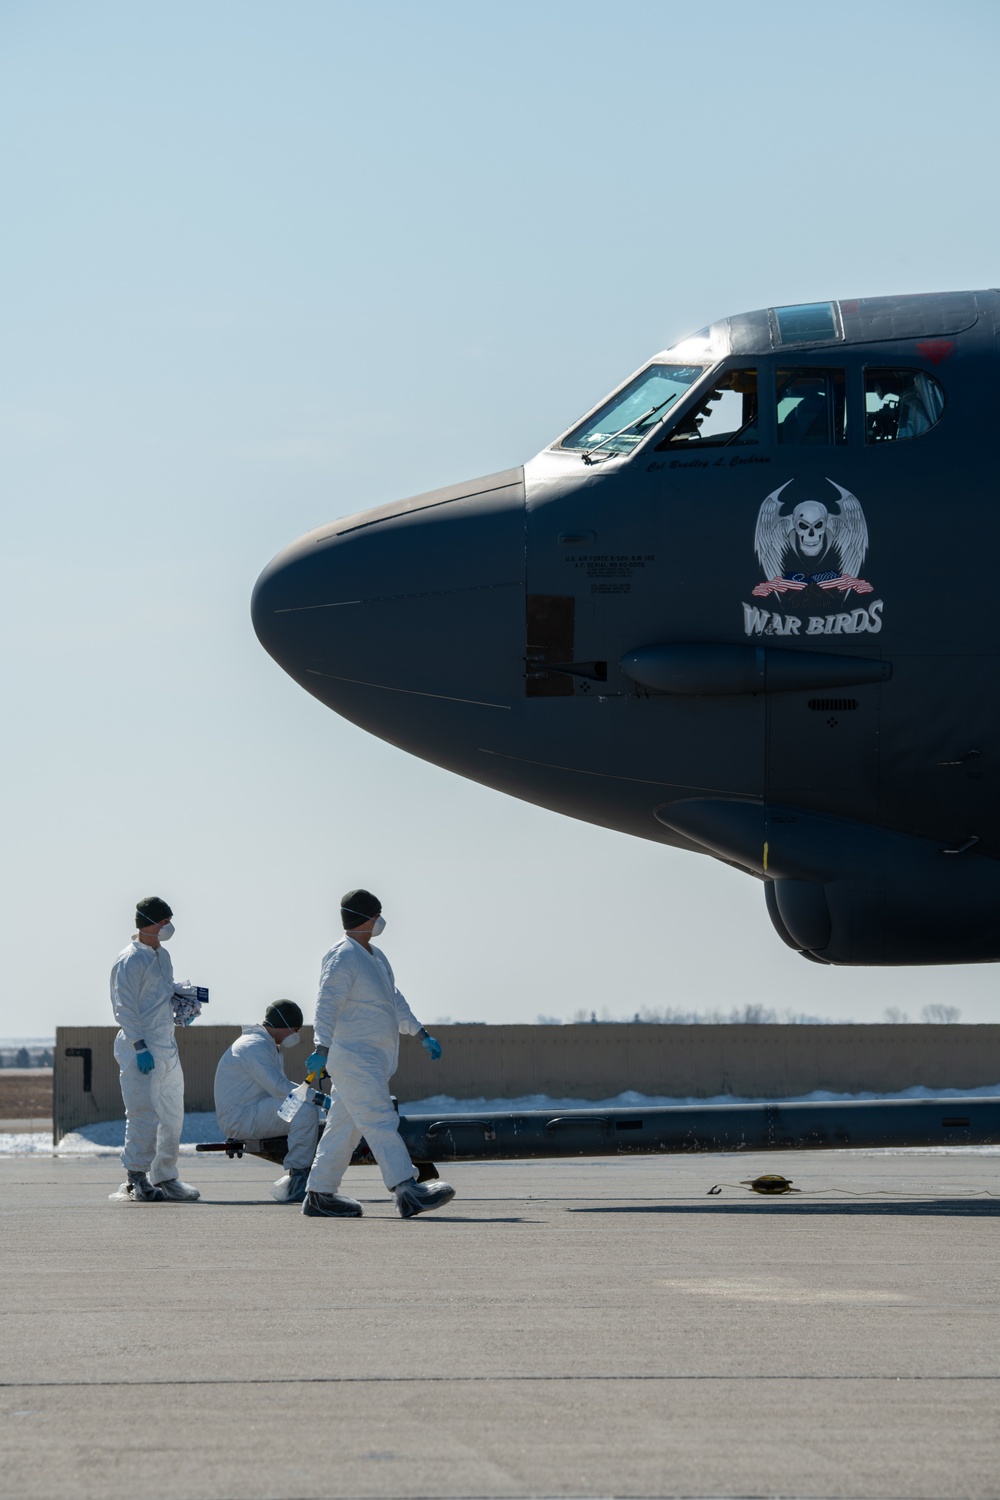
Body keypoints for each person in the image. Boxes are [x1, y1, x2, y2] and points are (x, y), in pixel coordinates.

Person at [302, 888, 455, 1219]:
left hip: (371, 1056)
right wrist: (321, 1047)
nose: (381, 920)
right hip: (353, 1056)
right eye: (377, 914)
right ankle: (406, 1188)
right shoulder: (343, 956)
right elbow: (326, 1003)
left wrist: (420, 1033)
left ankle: (319, 1194)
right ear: (367, 917)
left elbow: (393, 1000)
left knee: (343, 1128)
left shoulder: (375, 957)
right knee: (380, 1119)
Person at [109, 896, 200, 1203]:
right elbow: (124, 1007)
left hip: (166, 1046)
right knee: (143, 1114)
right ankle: (136, 1177)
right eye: (164, 921)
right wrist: (139, 1046)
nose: (169, 926)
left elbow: (160, 992)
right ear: (149, 922)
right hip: (141, 1048)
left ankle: (165, 1176)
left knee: (173, 1115)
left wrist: (182, 1000)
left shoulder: (163, 956)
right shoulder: (129, 959)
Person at [214, 1001, 320, 1203]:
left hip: (251, 1110)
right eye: (295, 1029)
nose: (295, 1035)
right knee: (304, 1111)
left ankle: (300, 1176)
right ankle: (298, 1182)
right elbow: (278, 1087)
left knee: (306, 1111)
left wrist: (312, 1097)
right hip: (242, 1117)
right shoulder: (254, 1046)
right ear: (284, 1025)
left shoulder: (266, 1045)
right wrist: (317, 1098)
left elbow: (281, 1089)